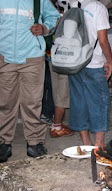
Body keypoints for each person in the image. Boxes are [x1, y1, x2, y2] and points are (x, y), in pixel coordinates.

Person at [0, 0, 60, 162]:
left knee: (32, 102)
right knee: (5, 102)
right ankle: (3, 142)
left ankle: (34, 142)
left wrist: (44, 28)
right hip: (3, 56)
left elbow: (54, 17)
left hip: (32, 56)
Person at [68, 0, 112, 148]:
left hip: (73, 61)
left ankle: (85, 143)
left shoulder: (72, 3)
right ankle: (99, 144)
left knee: (79, 101)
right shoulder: (98, 8)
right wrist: (110, 60)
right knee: (99, 103)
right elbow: (103, 40)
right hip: (93, 63)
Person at [49, 0, 74, 138]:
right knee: (62, 95)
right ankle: (56, 127)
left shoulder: (54, 7)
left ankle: (56, 124)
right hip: (62, 57)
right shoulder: (63, 10)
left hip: (53, 55)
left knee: (58, 91)